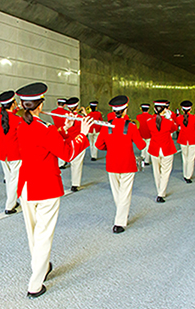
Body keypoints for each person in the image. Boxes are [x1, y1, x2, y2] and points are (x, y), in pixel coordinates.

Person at [15, 82, 92, 298]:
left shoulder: (23, 125)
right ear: (40, 105)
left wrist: (63, 129)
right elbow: (67, 153)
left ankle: (42, 266)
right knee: (43, 236)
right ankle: (35, 284)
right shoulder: (44, 128)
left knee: (34, 234)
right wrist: (82, 133)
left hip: (27, 185)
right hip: (46, 186)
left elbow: (44, 142)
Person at [95, 95, 145, 233]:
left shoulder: (106, 126)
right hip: (127, 164)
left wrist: (110, 147)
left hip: (112, 163)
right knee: (125, 193)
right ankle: (119, 222)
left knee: (117, 192)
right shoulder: (131, 126)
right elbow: (141, 145)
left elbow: (98, 145)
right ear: (125, 110)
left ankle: (121, 214)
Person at [0, 90, 22, 214]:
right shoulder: (18, 120)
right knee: (14, 180)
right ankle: (10, 206)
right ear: (13, 103)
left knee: (10, 179)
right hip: (15, 153)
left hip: (3, 153)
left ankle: (13, 201)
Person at [146, 100, 177, 203]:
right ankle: (161, 193)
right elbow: (174, 129)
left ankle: (159, 190)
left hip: (154, 149)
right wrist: (169, 118)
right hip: (166, 148)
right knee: (165, 172)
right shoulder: (169, 122)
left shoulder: (149, 121)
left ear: (154, 109)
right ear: (165, 110)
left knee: (156, 171)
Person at [174, 100, 195, 183]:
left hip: (183, 140)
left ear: (182, 109)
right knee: (191, 158)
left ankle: (185, 174)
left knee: (184, 158)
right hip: (193, 140)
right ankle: (188, 176)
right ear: (190, 109)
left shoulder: (178, 118)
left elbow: (175, 127)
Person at [65, 97, 87, 192]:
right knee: (77, 163)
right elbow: (88, 126)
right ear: (77, 106)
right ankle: (75, 184)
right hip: (79, 141)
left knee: (73, 162)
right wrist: (85, 113)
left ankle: (74, 182)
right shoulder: (81, 118)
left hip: (69, 140)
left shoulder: (65, 116)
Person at [51, 98, 70, 169]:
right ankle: (62, 163)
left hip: (56, 129)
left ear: (57, 103)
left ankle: (61, 162)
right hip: (65, 129)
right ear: (64, 105)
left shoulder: (53, 111)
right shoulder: (66, 112)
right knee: (63, 146)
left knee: (58, 146)